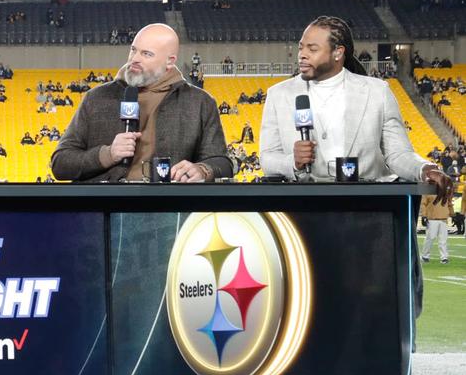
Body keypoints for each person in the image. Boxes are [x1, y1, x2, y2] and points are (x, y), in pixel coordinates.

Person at [258, 16, 451, 200]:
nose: (302, 55)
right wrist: (293, 161)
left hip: (367, 204)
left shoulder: (377, 91)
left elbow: (398, 154)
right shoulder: (278, 94)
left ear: (338, 53)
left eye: (312, 49)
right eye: (301, 48)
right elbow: (268, 159)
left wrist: (424, 169)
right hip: (304, 205)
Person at [50, 23, 232, 182]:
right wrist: (107, 154)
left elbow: (222, 163)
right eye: (133, 50)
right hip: (104, 206)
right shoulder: (96, 97)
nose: (135, 59)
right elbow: (60, 163)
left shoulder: (200, 102)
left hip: (168, 207)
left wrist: (201, 170)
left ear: (170, 61)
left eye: (147, 54)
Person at [420, 193, 450, 265]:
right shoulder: (428, 192)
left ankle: (444, 257)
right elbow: (423, 204)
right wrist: (424, 215)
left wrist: (453, 214)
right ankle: (425, 256)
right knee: (430, 238)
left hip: (443, 219)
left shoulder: (445, 191)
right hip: (432, 219)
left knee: (443, 239)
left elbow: (449, 204)